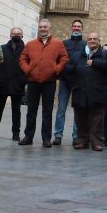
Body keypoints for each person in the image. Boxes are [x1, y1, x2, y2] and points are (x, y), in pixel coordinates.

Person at [18, 19, 69, 147]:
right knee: (31, 110)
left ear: (49, 28)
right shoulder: (30, 44)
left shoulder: (58, 43)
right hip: (33, 81)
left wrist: (56, 69)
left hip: (49, 82)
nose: (42, 29)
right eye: (40, 27)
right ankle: (28, 136)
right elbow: (23, 59)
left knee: (47, 111)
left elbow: (64, 58)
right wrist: (27, 70)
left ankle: (46, 138)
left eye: (45, 27)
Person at [66, 32, 107, 151]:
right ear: (87, 40)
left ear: (98, 41)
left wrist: (95, 63)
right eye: (90, 39)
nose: (92, 41)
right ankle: (83, 140)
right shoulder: (77, 55)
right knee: (80, 118)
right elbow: (68, 70)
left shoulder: (105, 54)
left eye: (95, 39)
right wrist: (76, 81)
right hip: (80, 91)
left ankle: (95, 141)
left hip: (98, 91)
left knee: (97, 118)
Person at [0, 27, 27, 141]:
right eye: (14, 33)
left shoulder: (26, 50)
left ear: (22, 35)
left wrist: (23, 81)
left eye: (19, 34)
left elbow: (28, 67)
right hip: (2, 84)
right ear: (10, 35)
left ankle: (16, 134)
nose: (16, 35)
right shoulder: (2, 48)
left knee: (16, 112)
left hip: (17, 85)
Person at [54, 20, 85, 146]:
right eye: (75, 26)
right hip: (65, 79)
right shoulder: (64, 43)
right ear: (71, 27)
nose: (76, 28)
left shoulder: (85, 44)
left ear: (82, 28)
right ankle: (58, 135)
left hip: (79, 80)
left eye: (78, 26)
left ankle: (76, 135)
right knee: (61, 108)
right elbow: (59, 59)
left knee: (78, 109)